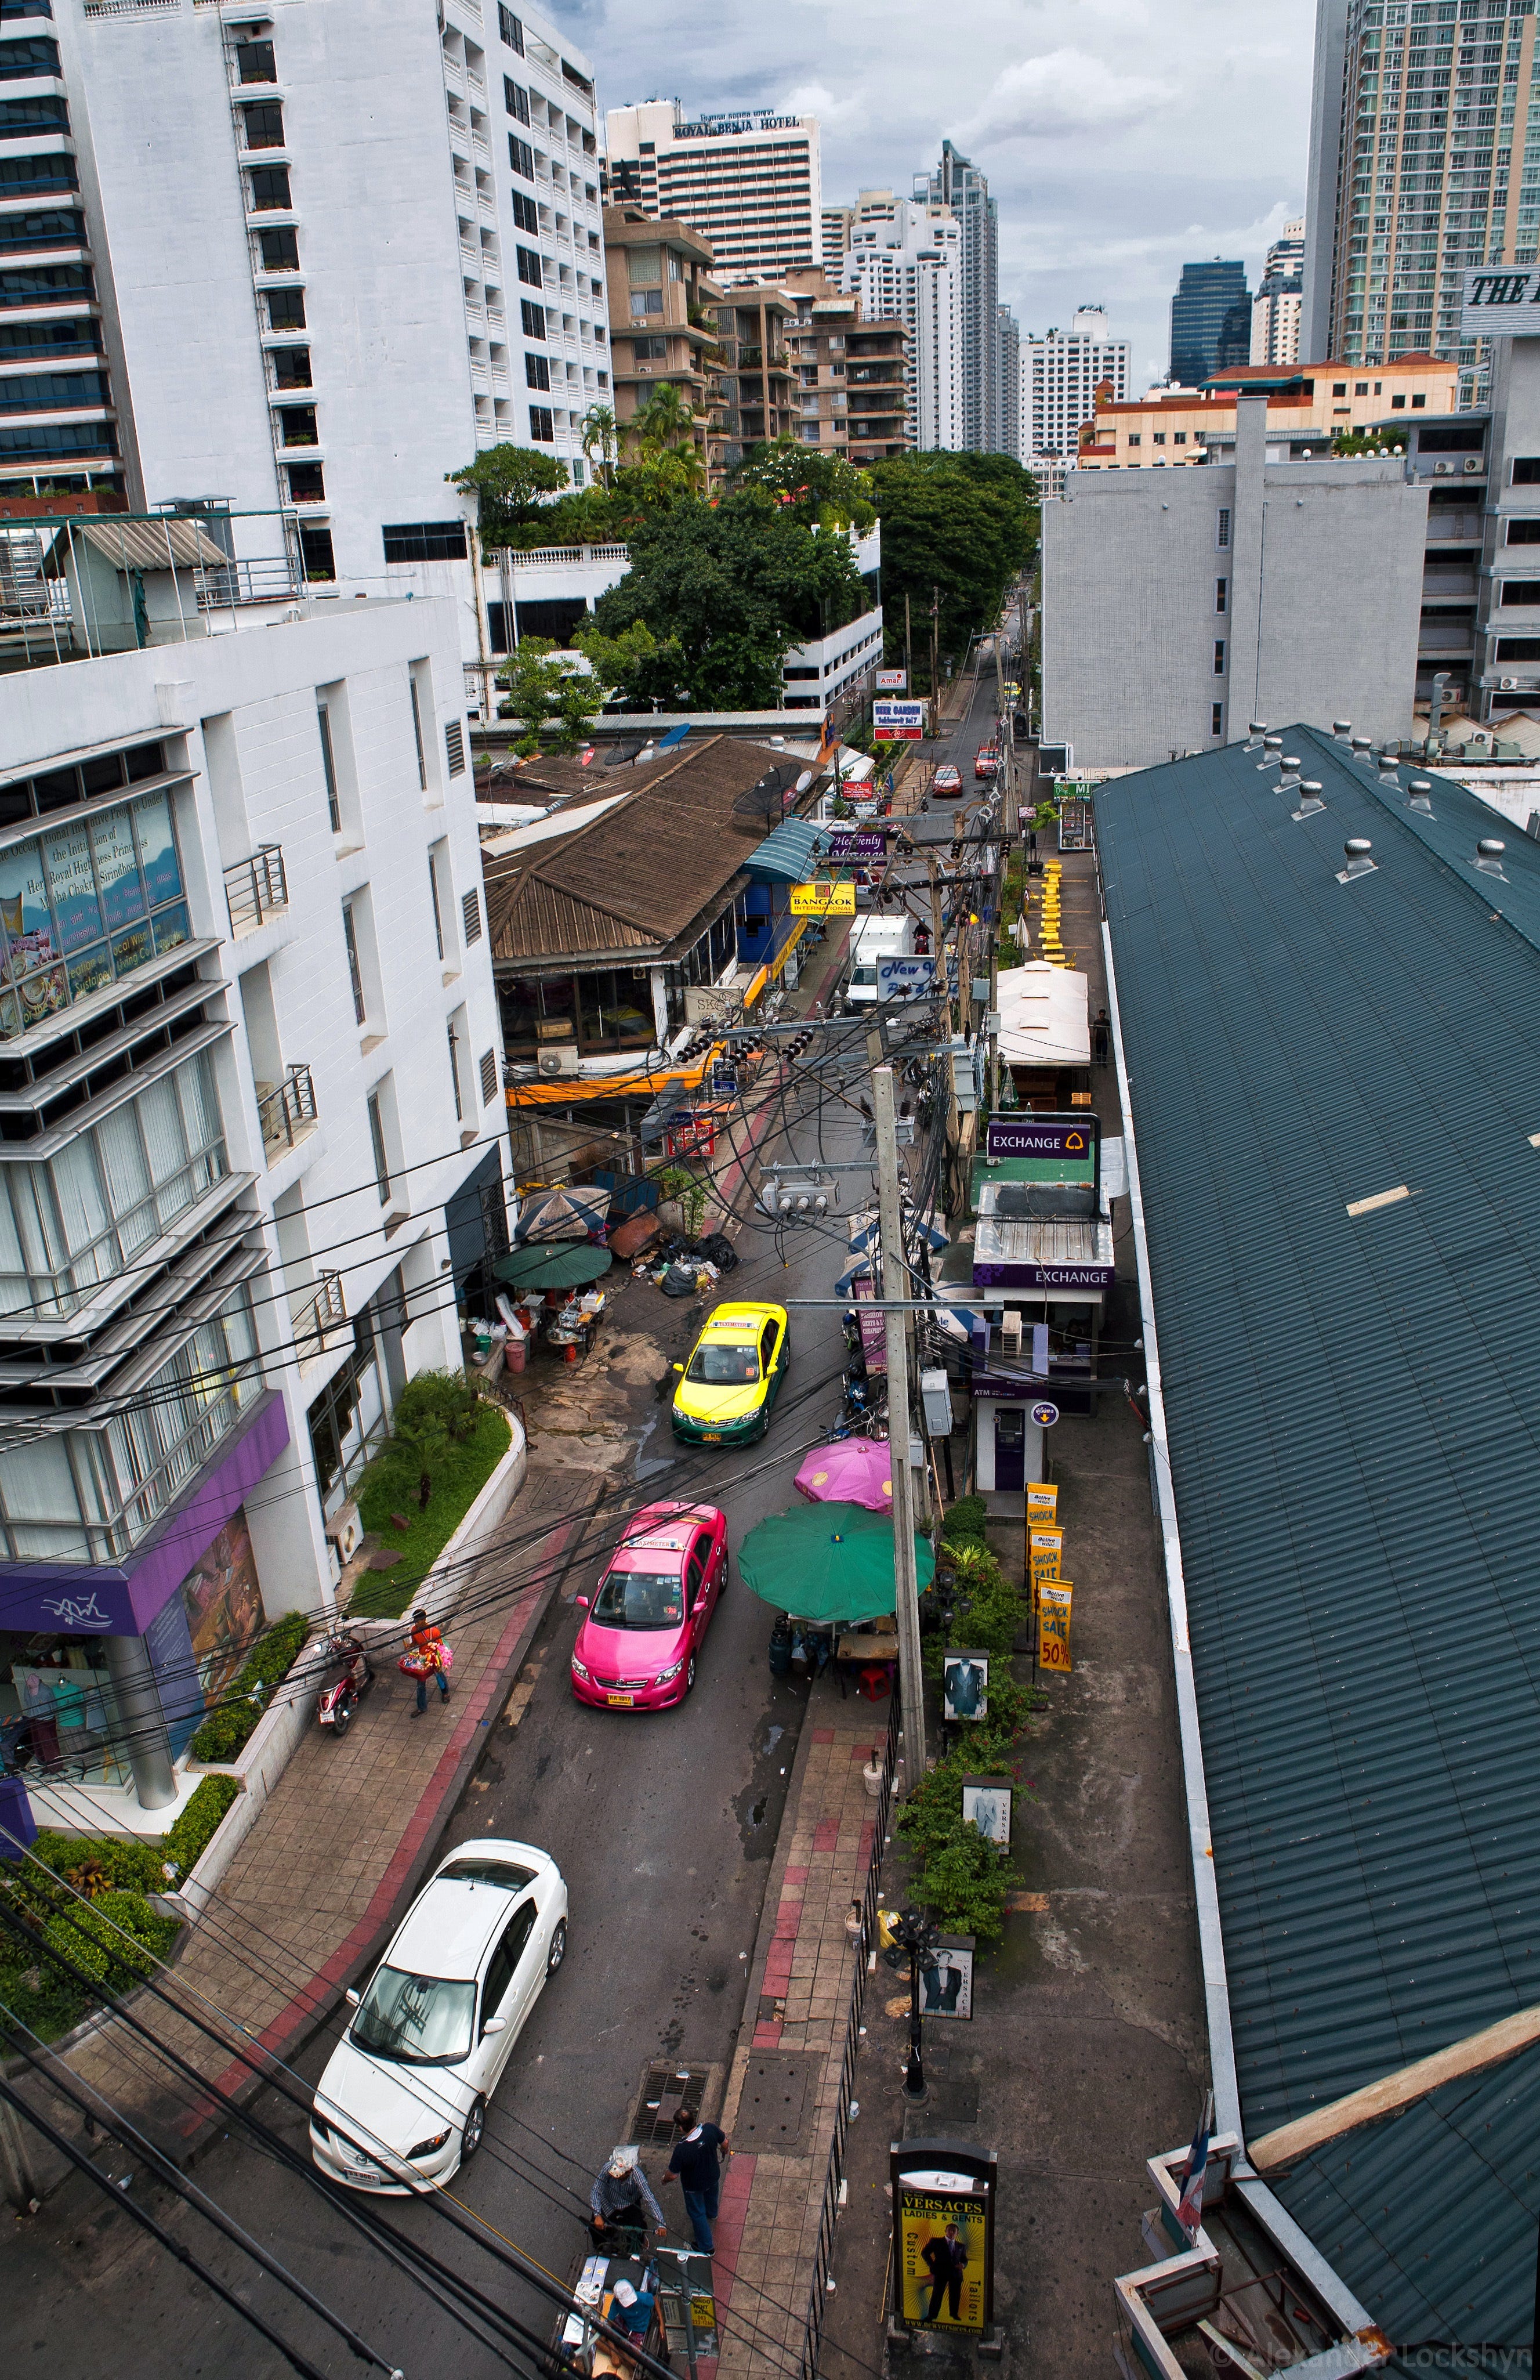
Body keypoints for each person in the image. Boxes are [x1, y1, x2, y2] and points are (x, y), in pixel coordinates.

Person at [664, 2104, 731, 2253]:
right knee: (712, 2196)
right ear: (694, 2120)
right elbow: (725, 2142)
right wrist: (724, 2150)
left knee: (697, 2214)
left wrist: (665, 2180)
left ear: (681, 2128)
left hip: (694, 2186)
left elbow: (673, 2174)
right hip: (713, 2175)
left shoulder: (682, 2149)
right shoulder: (710, 2129)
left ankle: (707, 2247)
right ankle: (713, 2214)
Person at [589, 2148, 666, 2252]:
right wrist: (597, 2215)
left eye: (621, 2173)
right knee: (594, 2227)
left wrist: (661, 2224)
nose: (617, 2175)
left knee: (638, 2228)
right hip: (608, 2203)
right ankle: (600, 2247)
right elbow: (596, 2191)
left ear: (629, 2171)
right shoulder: (608, 2167)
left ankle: (638, 2245)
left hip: (629, 2204)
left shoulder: (638, 2176)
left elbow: (650, 2199)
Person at [405, 1607, 450, 1716]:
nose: (417, 1623)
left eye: (419, 1621)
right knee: (420, 1684)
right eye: (416, 1621)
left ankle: (445, 1693)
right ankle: (421, 1707)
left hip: (434, 1658)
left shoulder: (434, 1631)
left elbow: (441, 1647)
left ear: (425, 1619)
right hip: (422, 1660)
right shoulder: (414, 1630)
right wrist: (409, 1646)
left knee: (439, 1677)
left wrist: (438, 1660)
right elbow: (415, 1643)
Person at [921, 2222, 968, 2323]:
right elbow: (925, 2253)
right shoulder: (936, 2242)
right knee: (937, 2294)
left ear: (957, 2234)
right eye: (949, 2230)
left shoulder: (961, 2246)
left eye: (954, 2231)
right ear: (946, 2231)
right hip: (941, 2272)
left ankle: (954, 2314)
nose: (951, 2233)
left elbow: (965, 2260)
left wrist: (963, 2265)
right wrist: (932, 2265)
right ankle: (932, 2315)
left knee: (955, 2295)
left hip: (955, 2274)